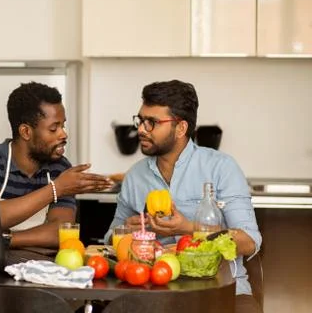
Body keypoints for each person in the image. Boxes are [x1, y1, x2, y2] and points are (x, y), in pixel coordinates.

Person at [0, 81, 113, 313]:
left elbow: (59, 233)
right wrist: (56, 190)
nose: (64, 134)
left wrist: (2, 241)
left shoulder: (61, 168)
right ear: (26, 132)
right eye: (54, 128)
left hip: (34, 277)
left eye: (63, 125)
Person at [105, 80, 263, 313]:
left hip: (221, 293)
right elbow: (110, 239)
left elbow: (249, 242)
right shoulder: (135, 176)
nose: (141, 129)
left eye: (152, 122)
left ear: (180, 128)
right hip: (152, 294)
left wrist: (188, 228)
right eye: (140, 120)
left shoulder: (221, 168)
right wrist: (127, 232)